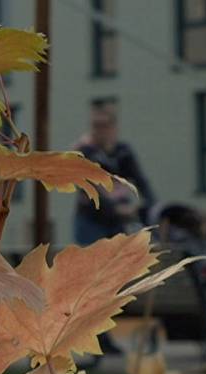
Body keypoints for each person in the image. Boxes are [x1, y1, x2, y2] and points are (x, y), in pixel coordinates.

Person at [74, 104, 156, 356]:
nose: (100, 131)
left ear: (114, 128)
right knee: (96, 278)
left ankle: (104, 336)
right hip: (92, 222)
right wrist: (115, 209)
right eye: (95, 126)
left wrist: (149, 207)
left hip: (116, 225)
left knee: (115, 279)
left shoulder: (123, 152)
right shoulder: (84, 151)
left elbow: (141, 182)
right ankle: (100, 338)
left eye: (104, 125)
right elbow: (90, 191)